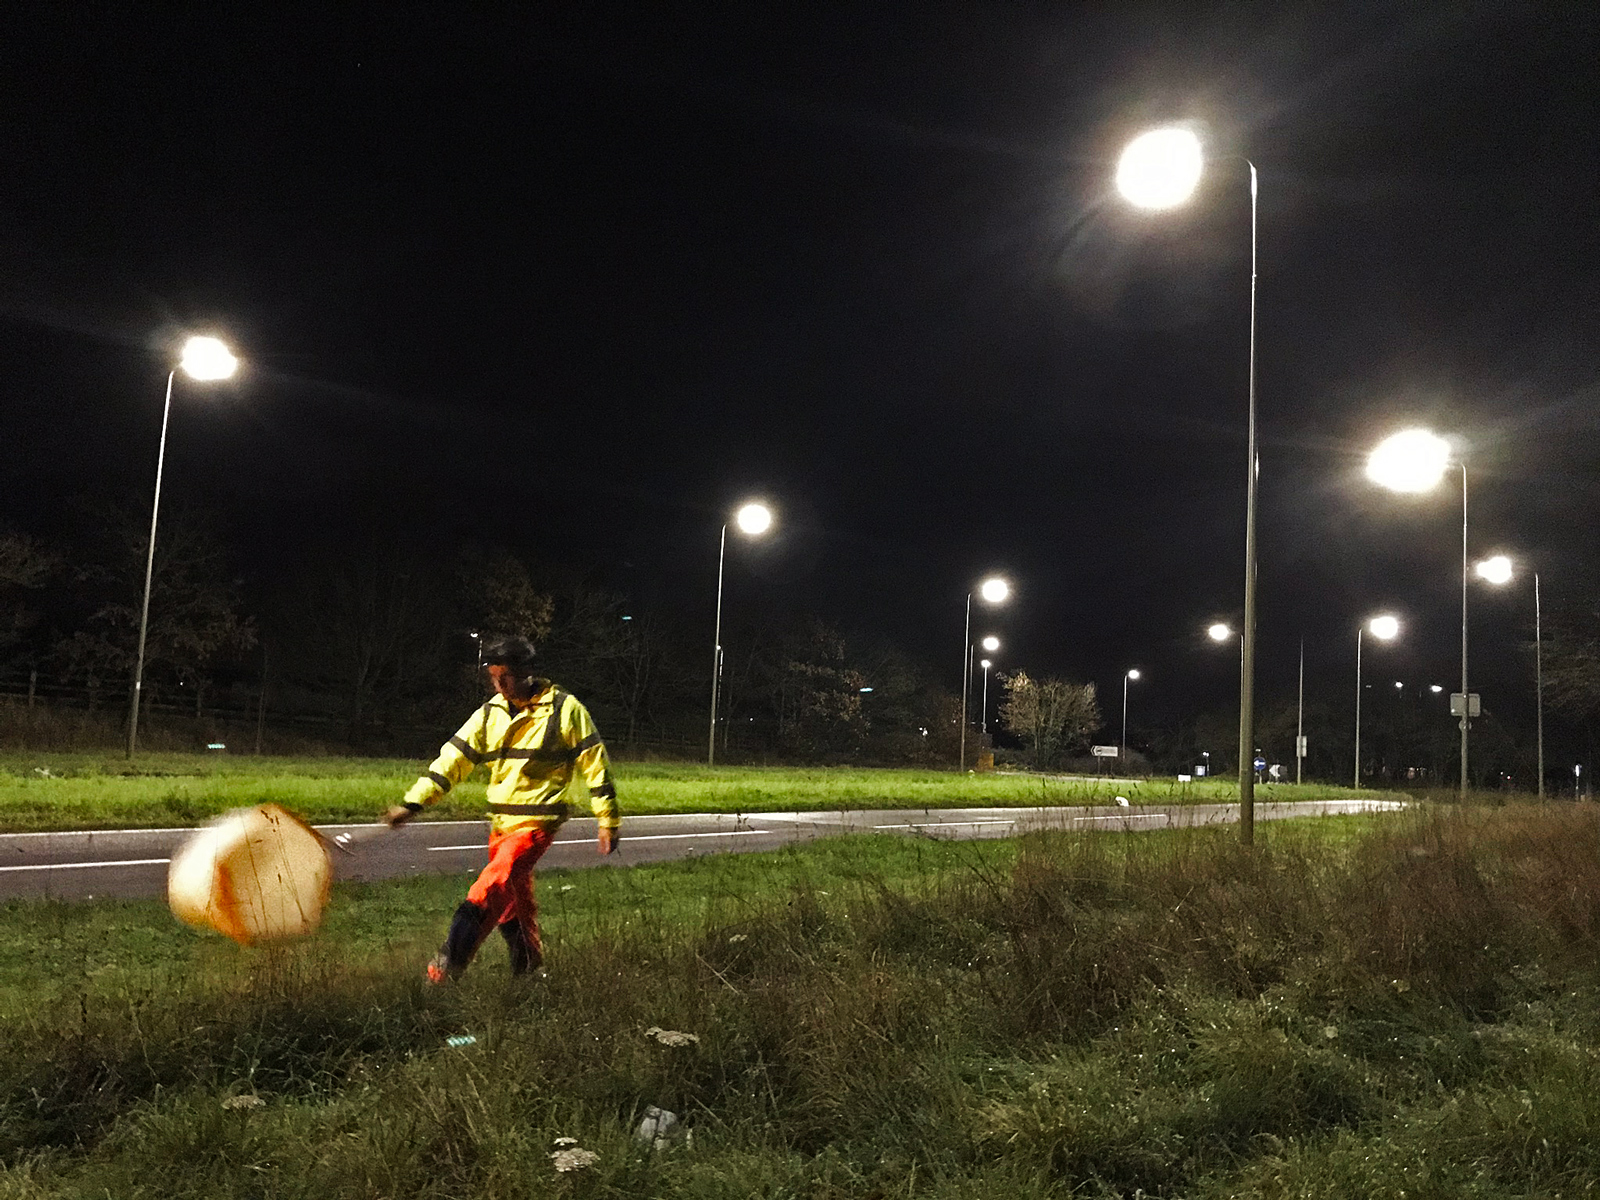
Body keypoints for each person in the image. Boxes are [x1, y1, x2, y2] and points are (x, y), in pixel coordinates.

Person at [387, 635, 620, 982]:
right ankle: (529, 970)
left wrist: (608, 820)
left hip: (536, 824)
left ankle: (445, 970)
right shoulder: (489, 714)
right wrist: (413, 803)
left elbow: (595, 763)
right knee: (514, 902)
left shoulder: (565, 710)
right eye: (493, 678)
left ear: (526, 672)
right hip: (500, 825)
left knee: (489, 888)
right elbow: (452, 761)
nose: (498, 686)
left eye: (505, 677)